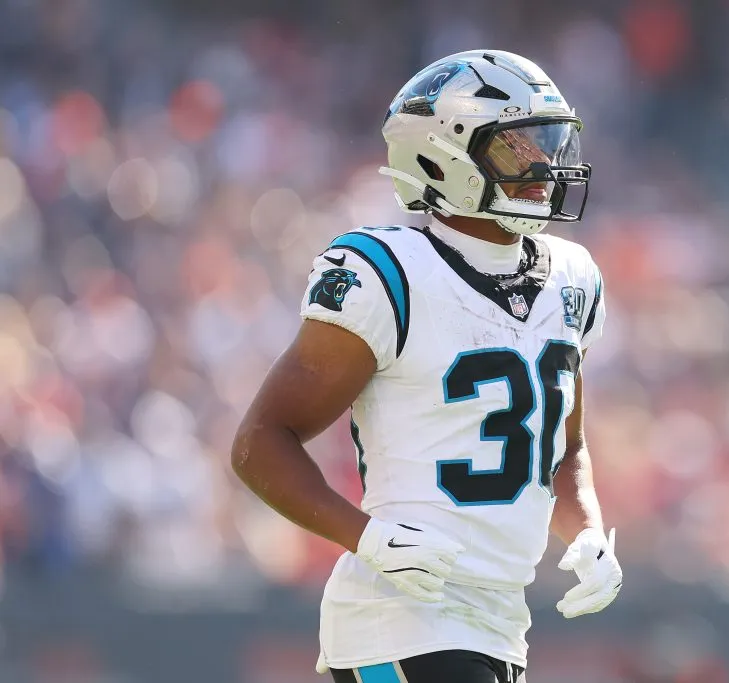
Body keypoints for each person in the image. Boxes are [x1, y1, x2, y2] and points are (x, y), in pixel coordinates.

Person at [232, 50, 622, 683]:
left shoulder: (573, 278)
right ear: (443, 157)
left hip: (500, 622)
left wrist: (588, 531)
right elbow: (260, 443)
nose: (544, 166)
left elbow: (561, 447)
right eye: (516, 147)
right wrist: (367, 538)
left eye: (549, 142)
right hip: (400, 617)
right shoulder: (388, 274)